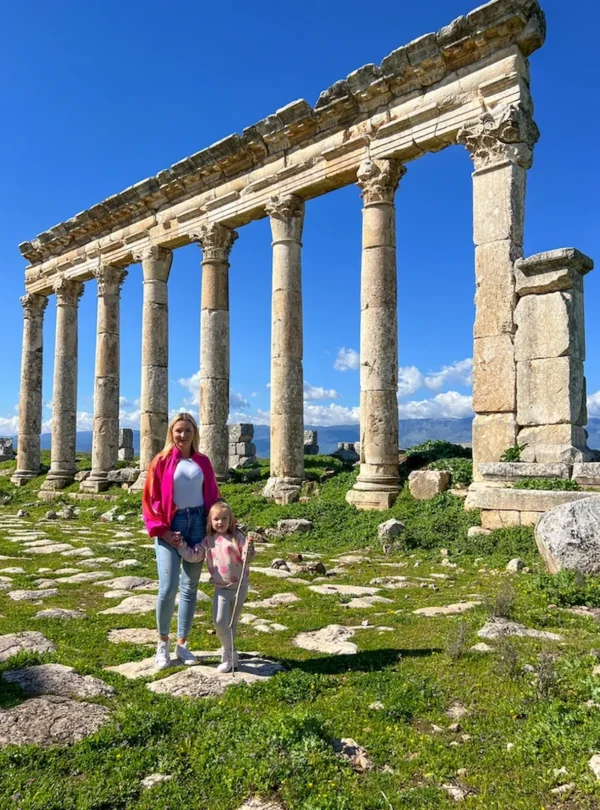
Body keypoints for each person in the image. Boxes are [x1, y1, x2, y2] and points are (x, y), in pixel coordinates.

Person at [142, 412, 220, 670]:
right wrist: (161, 530)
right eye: (178, 430)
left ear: (194, 433)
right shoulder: (161, 461)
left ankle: (182, 643)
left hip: (198, 524)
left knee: (190, 587)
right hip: (170, 524)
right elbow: (151, 497)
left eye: (187, 430)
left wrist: (216, 527)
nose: (183, 435)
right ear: (171, 433)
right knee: (168, 587)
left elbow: (212, 494)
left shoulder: (203, 462)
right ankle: (162, 643)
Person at [175, 501, 254, 673]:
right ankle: (230, 652)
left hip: (239, 586)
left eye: (224, 518)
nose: (220, 522)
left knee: (231, 623)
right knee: (219, 622)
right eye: (216, 519)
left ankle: (229, 658)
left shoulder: (238, 537)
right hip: (221, 588)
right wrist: (180, 545)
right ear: (210, 521)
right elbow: (194, 556)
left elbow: (247, 558)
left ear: (231, 520)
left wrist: (249, 547)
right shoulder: (208, 541)